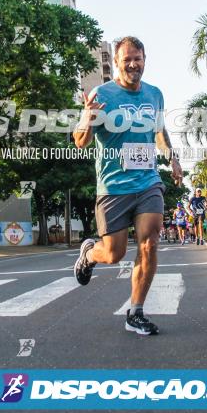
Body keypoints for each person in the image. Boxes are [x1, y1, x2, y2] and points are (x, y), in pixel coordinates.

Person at [72, 36, 183, 336]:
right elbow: (80, 141)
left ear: (145, 59)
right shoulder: (102, 93)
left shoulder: (155, 94)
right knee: (114, 253)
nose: (133, 64)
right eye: (127, 60)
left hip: (148, 181)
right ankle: (89, 254)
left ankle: (135, 312)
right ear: (117, 63)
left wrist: (173, 159)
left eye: (138, 58)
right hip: (112, 186)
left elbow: (159, 130)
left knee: (149, 243)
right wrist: (86, 118)